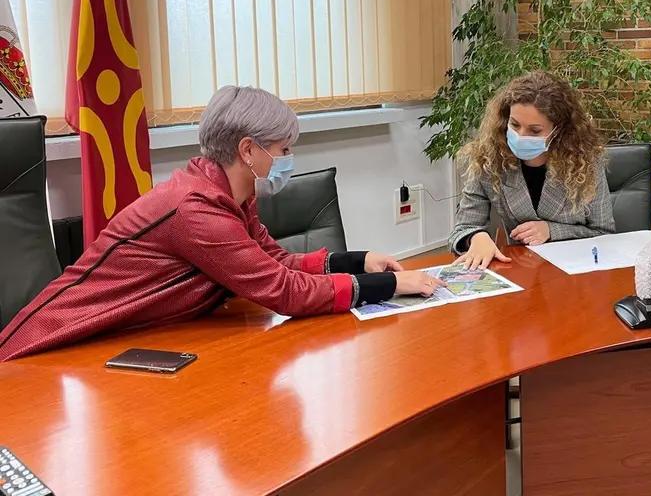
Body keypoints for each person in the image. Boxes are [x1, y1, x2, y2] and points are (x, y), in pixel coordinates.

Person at [0, 86, 440, 361]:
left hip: (126, 341)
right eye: (283, 150)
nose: (288, 160)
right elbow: (283, 291)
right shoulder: (196, 211)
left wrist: (362, 261)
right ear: (248, 150)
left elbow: (276, 260)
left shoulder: (230, 195)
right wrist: (390, 287)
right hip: (53, 349)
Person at [450, 71, 615, 270]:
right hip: (520, 269)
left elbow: (604, 234)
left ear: (559, 129)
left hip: (574, 274)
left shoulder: (586, 162)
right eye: (515, 124)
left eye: (535, 130)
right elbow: (463, 229)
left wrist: (552, 230)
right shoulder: (489, 159)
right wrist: (476, 237)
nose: (520, 135)